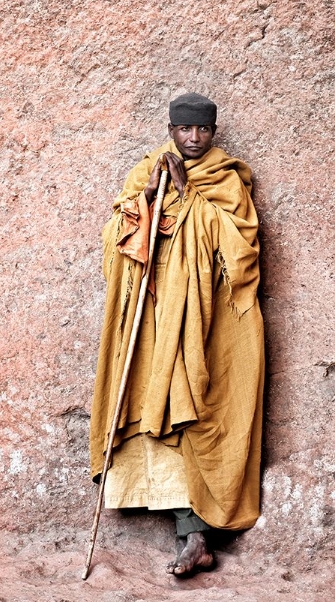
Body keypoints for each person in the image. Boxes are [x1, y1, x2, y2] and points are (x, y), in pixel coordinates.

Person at [89, 93, 264, 577]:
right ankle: (188, 535)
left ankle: (198, 538)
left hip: (202, 319)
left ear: (213, 132)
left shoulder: (225, 178)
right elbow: (115, 239)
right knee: (152, 408)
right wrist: (147, 197)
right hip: (151, 315)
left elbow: (240, 252)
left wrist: (187, 195)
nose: (193, 139)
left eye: (203, 131)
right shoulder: (145, 170)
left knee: (197, 410)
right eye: (185, 130)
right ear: (170, 129)